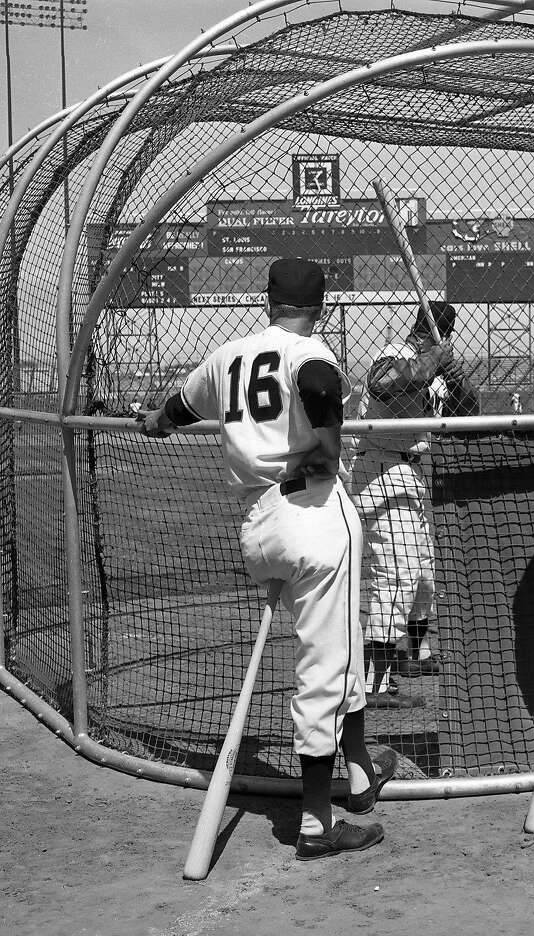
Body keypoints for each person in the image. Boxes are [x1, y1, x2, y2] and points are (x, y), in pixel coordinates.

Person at [140, 258, 395, 861]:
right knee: (324, 666)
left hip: (257, 525)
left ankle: (357, 771)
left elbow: (179, 407)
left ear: (268, 301)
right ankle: (314, 821)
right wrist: (327, 454)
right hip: (312, 513)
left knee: (344, 646)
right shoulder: (312, 352)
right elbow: (321, 391)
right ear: (322, 306)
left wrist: (153, 422)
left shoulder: (229, 355)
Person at [353, 301, 468, 691]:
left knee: (423, 575)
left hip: (412, 472)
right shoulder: (396, 355)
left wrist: (455, 374)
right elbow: (380, 382)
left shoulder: (437, 368)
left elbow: (470, 408)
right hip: (380, 467)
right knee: (397, 575)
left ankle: (413, 654)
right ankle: (372, 682)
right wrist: (431, 359)